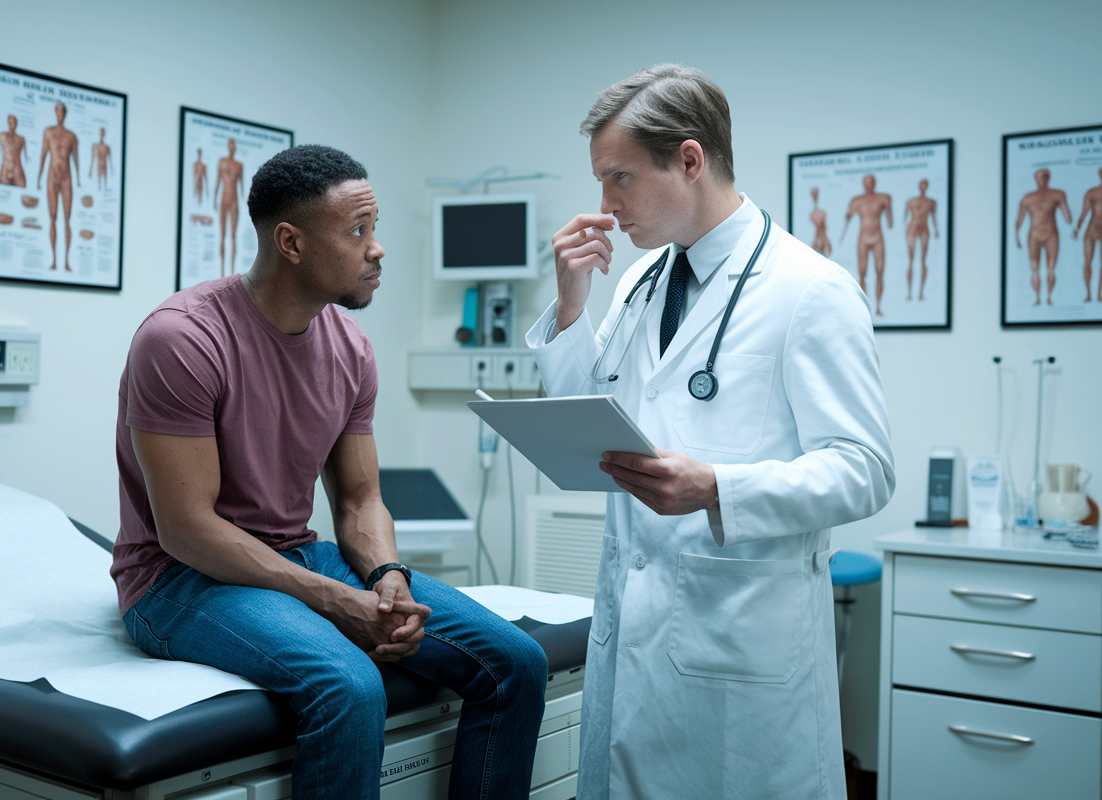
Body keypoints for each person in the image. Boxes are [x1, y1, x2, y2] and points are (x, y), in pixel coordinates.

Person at [113, 145, 548, 800]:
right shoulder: (181, 339)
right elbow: (185, 529)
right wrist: (335, 601)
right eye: (357, 232)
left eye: (374, 231)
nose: (377, 250)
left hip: (293, 555)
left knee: (516, 662)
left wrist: (387, 578)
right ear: (290, 242)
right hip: (176, 579)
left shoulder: (350, 347)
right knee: (347, 685)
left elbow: (360, 499)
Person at [527, 64, 894, 800]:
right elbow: (586, 423)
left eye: (620, 177)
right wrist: (571, 309)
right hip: (633, 626)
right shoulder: (637, 283)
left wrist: (719, 488)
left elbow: (865, 468)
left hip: (741, 646)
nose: (604, 204)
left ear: (689, 161)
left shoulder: (810, 290)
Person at [1015, 168, 1072, 306]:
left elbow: (1068, 218)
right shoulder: (1028, 198)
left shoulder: (1057, 194)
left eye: (1045, 176)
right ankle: (1038, 298)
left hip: (1051, 233)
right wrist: (1017, 236)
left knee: (1051, 269)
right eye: (1040, 177)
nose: (1043, 179)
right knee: (1035, 269)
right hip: (1034, 234)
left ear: (1049, 178)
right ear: (1036, 179)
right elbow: (1020, 220)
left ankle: (1049, 298)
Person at [841, 173, 893, 316]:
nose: (868, 184)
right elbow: (849, 217)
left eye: (870, 181)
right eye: (866, 181)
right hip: (863, 237)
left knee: (879, 272)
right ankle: (864, 308)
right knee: (862, 273)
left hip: (877, 236)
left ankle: (878, 307)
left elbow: (890, 222)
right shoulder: (857, 200)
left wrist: (888, 211)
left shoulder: (883, 198)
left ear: (874, 183)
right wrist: (848, 215)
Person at [37, 101, 80, 271]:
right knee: (53, 217)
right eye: (57, 110)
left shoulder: (71, 136)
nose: (59, 113)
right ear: (55, 113)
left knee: (67, 219)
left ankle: (66, 262)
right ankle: (54, 260)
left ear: (65, 113)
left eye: (62, 110)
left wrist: (80, 178)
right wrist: (38, 177)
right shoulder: (48, 132)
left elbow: (76, 158)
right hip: (52, 177)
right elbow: (43, 154)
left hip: (67, 178)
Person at [903, 178, 939, 301]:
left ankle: (921, 293)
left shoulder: (931, 202)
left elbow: (934, 217)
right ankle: (909, 293)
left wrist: (936, 230)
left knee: (923, 260)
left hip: (924, 229)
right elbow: (904, 218)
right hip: (912, 229)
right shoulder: (911, 202)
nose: (923, 187)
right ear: (919, 186)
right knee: (911, 261)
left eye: (925, 185)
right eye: (922, 185)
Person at [214, 138, 244, 276]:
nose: (232, 147)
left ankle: (231, 274)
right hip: (224, 198)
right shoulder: (222, 162)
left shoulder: (239, 165)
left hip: (234, 200)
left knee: (233, 236)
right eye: (230, 145)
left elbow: (242, 187)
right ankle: (221, 273)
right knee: (223, 235)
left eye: (233, 145)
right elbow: (218, 181)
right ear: (228, 146)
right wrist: (214, 198)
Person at [1072, 167, 1102, 302]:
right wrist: (1077, 228)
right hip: (1092, 228)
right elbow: (1084, 212)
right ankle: (1089, 294)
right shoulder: (1092, 192)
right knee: (1087, 261)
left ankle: (1099, 294)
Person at [0, 114, 28, 188]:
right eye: (10, 122)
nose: (12, 125)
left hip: (17, 169)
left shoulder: (21, 139)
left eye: (14, 122)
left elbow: (26, 157)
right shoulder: (2, 136)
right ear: (8, 123)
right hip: (6, 168)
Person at [809, 186, 831, 256]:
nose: (814, 196)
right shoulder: (813, 213)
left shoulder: (822, 212)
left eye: (816, 193)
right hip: (818, 238)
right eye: (813, 194)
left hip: (823, 238)